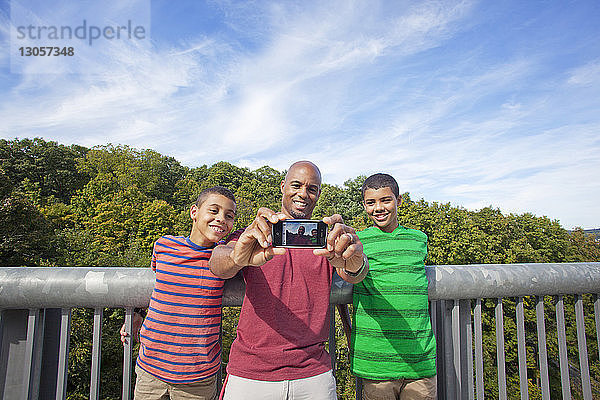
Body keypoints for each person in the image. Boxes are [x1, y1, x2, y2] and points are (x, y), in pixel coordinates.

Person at [209, 160, 369, 400]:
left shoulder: (327, 239)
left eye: (311, 188)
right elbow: (217, 263)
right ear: (282, 186)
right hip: (251, 372)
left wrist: (356, 261)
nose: (303, 194)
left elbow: (354, 273)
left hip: (313, 374)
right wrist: (236, 257)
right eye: (296, 185)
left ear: (318, 194)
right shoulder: (256, 234)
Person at [119, 186, 237, 400]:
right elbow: (160, 286)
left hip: (197, 378)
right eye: (214, 210)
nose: (221, 219)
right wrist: (135, 314)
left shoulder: (225, 258)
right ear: (194, 212)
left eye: (229, 216)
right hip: (150, 370)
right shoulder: (164, 246)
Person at [350, 173, 437, 400]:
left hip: (420, 360)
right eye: (371, 202)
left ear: (399, 201)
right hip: (376, 362)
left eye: (385, 200)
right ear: (364, 205)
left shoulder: (419, 239)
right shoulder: (358, 241)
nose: (378, 208)